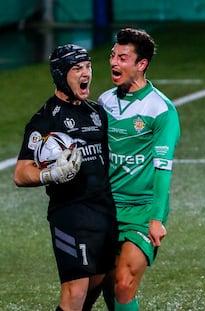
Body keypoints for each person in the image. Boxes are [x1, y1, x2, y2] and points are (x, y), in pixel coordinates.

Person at [13, 44, 118, 311]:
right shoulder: (45, 119)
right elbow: (21, 173)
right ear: (61, 74)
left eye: (88, 66)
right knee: (75, 292)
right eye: (77, 68)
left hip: (104, 211)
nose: (86, 74)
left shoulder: (96, 113)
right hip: (71, 215)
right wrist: (52, 173)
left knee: (102, 281)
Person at [98, 28, 180, 311]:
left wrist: (157, 218)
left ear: (141, 64)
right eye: (112, 56)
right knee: (108, 283)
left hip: (142, 212)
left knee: (124, 281)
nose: (113, 63)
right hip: (107, 208)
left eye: (122, 57)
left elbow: (163, 168)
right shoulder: (104, 102)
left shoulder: (160, 109)